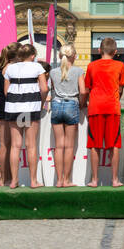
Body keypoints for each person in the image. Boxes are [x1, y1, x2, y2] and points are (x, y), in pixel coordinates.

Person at [1, 44, 48, 189]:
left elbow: (6, 91)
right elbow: (44, 88)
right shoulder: (37, 68)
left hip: (13, 107)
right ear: (33, 56)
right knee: (31, 145)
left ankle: (14, 181)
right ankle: (33, 181)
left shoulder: (10, 68)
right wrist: (40, 102)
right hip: (30, 107)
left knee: (15, 145)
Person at [83, 38, 124, 188]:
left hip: (95, 108)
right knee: (114, 144)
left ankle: (94, 180)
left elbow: (87, 88)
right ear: (115, 52)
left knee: (95, 144)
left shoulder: (91, 66)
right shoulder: (120, 65)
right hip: (112, 108)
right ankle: (115, 180)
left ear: (99, 50)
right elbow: (121, 89)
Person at [49, 45, 83, 188]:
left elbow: (52, 90)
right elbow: (83, 91)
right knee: (69, 147)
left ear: (59, 56)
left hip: (56, 104)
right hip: (72, 104)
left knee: (59, 146)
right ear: (74, 56)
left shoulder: (53, 72)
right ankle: (66, 180)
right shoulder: (79, 71)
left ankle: (58, 180)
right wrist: (81, 104)